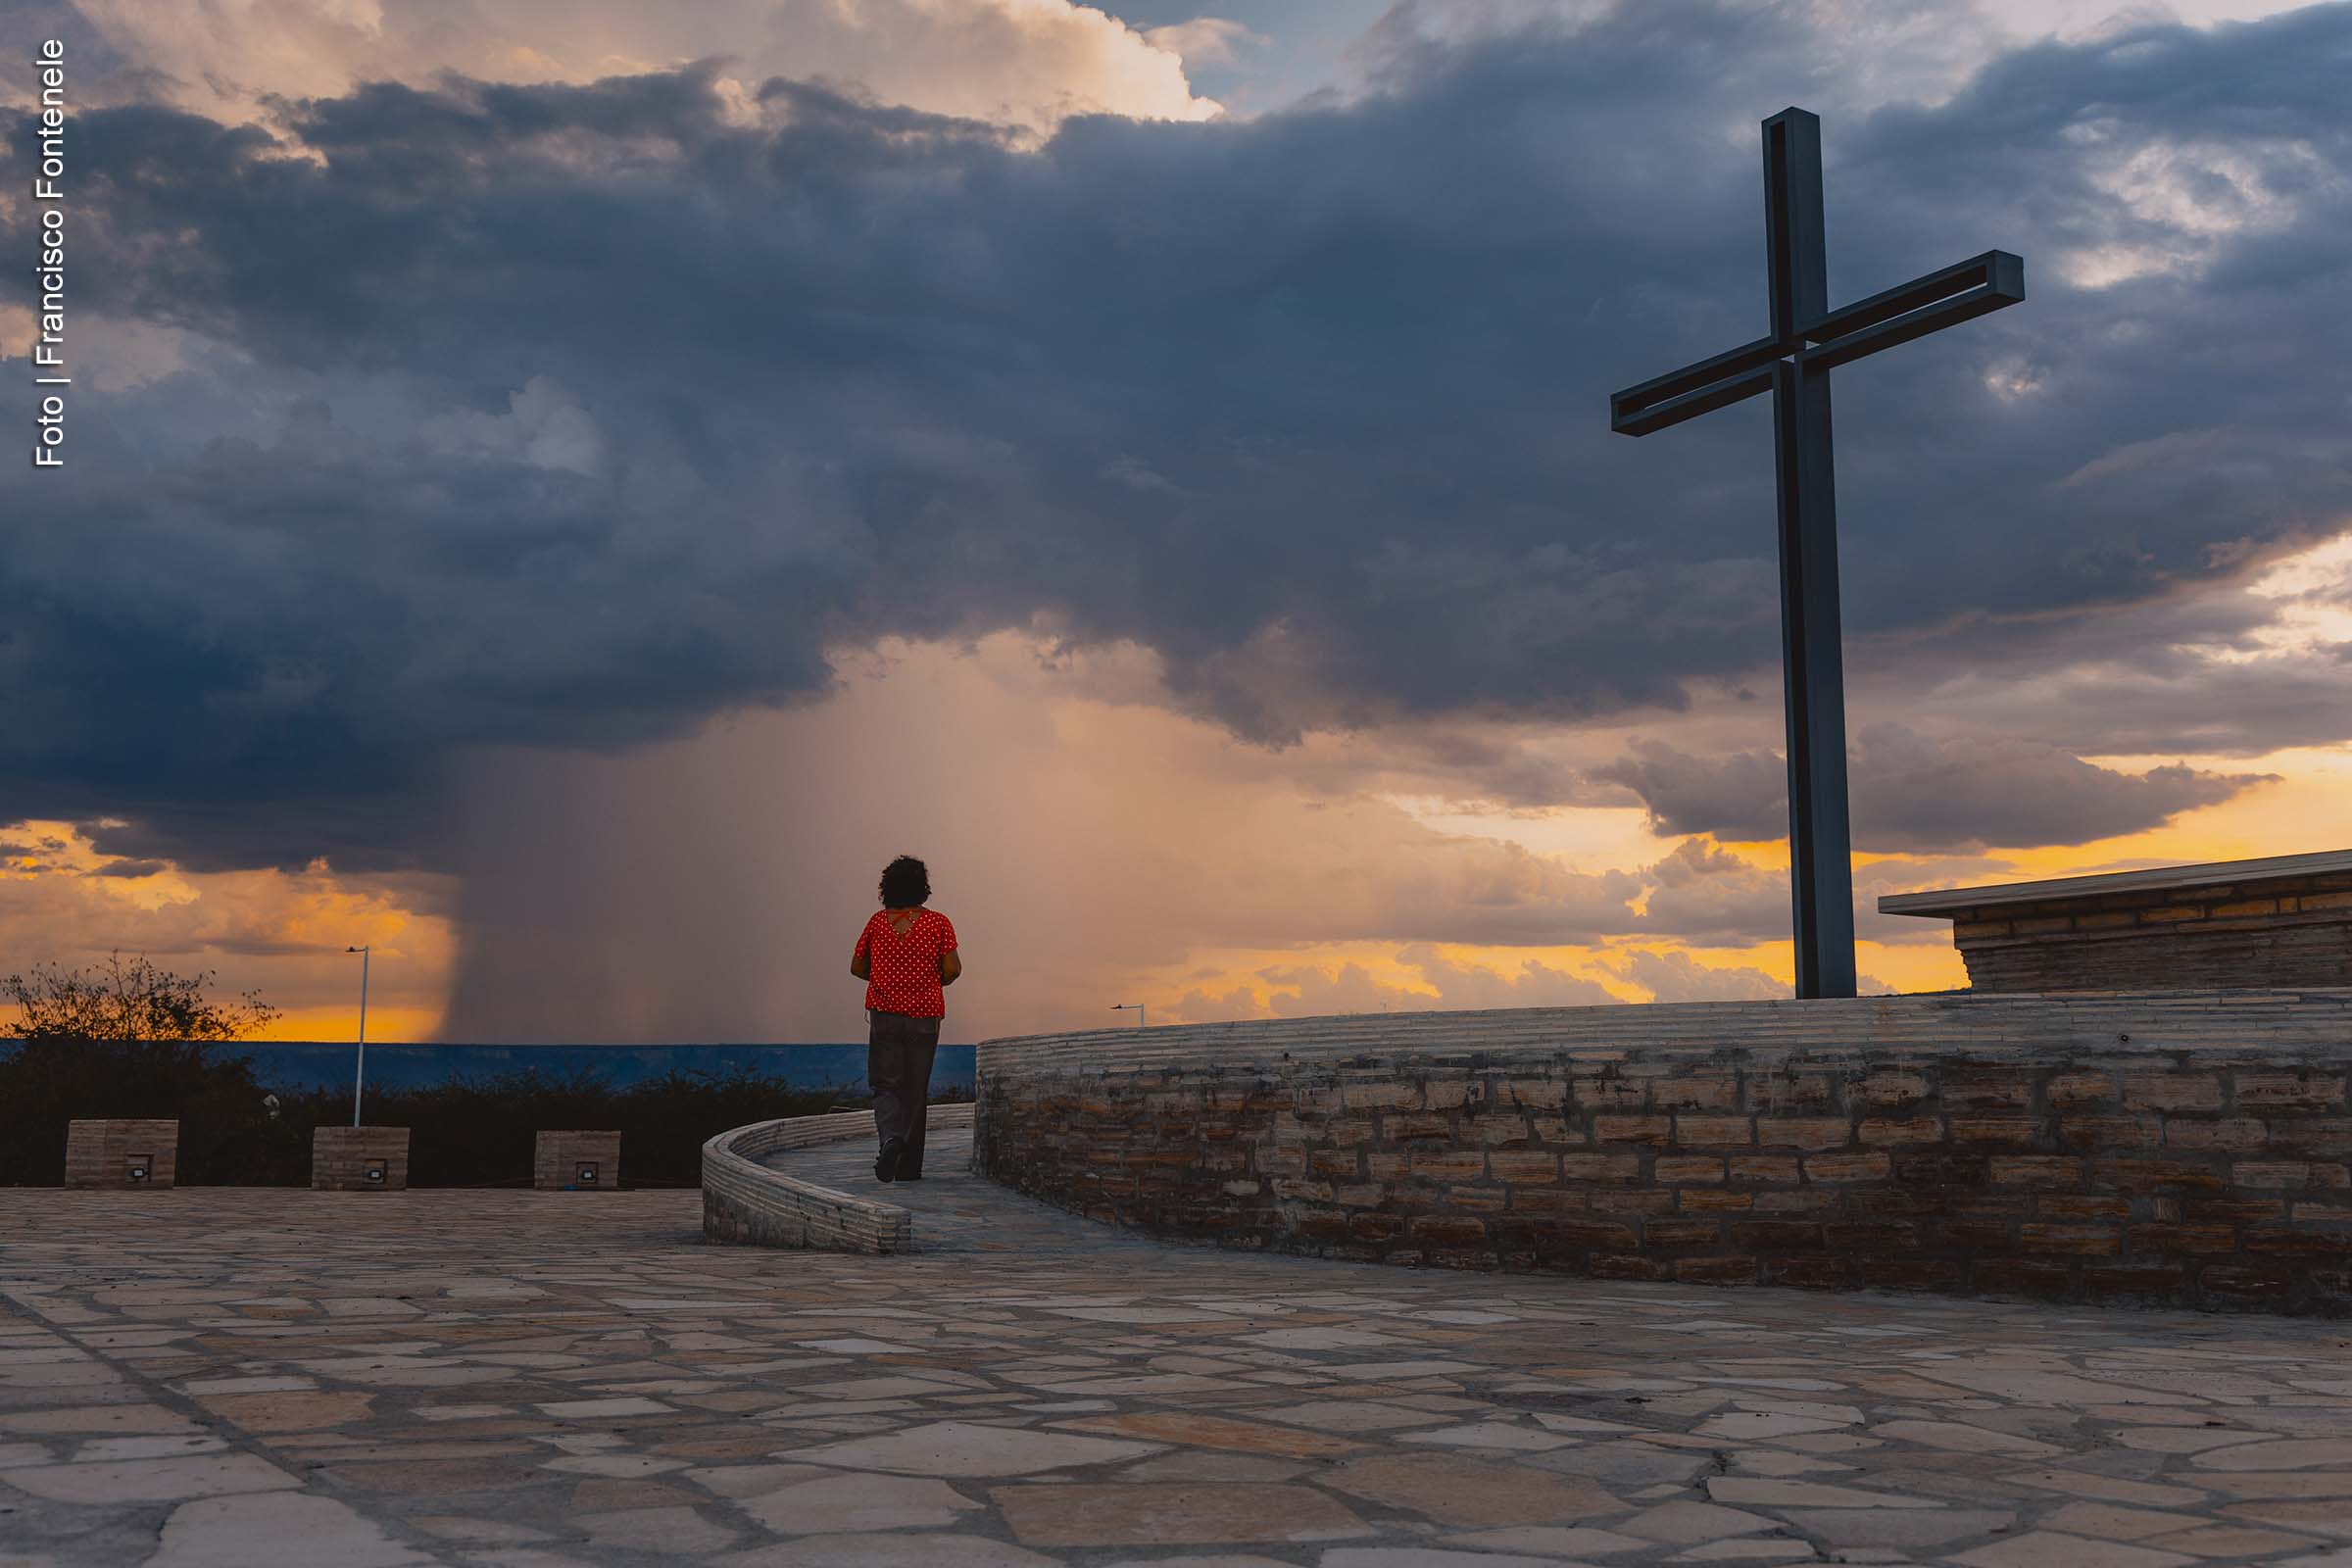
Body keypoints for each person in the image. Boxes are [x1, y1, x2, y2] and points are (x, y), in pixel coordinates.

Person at [850, 855, 961, 1182]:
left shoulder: (876, 923)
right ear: (922, 887)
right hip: (924, 1016)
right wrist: (929, 981)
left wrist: (885, 978)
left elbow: (857, 967)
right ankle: (909, 1167)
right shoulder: (938, 923)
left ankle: (890, 1139)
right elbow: (952, 969)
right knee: (916, 1088)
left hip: (885, 1015)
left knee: (886, 1085)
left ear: (887, 887)